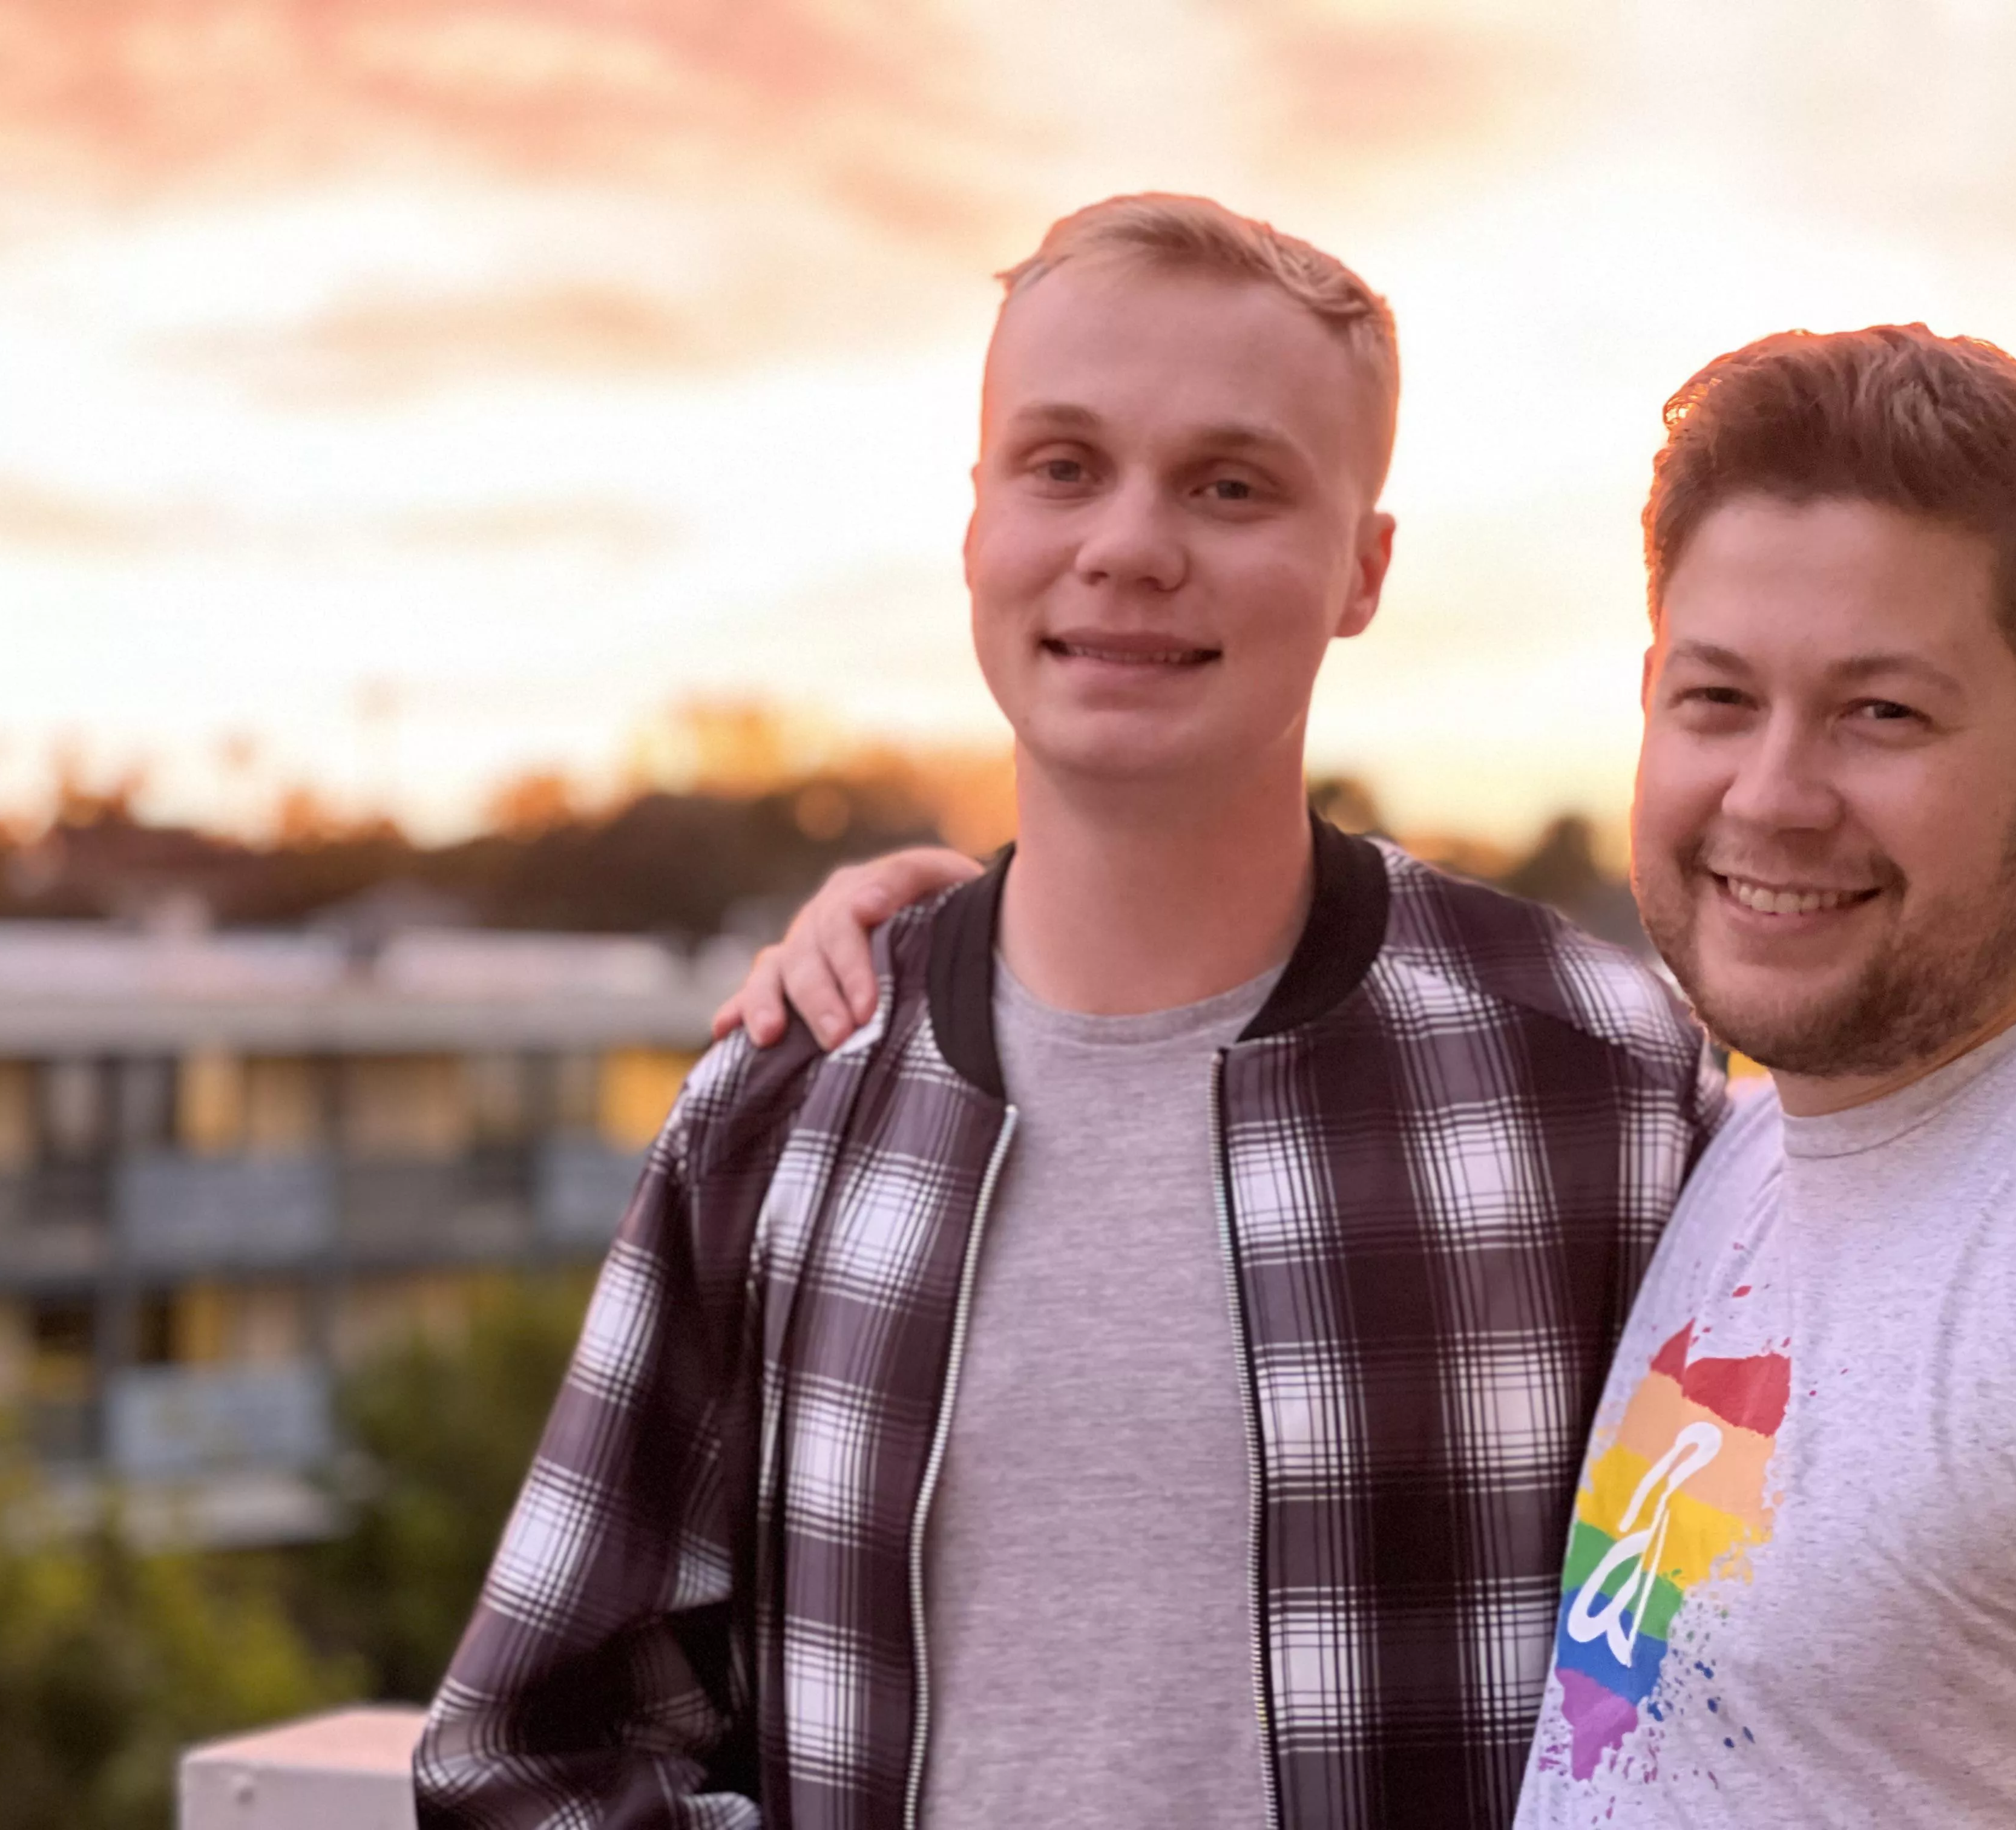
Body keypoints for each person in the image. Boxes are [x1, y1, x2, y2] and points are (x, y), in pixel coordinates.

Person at [739, 326, 2016, 1828]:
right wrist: (983, 932)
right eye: (1719, 700)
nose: (1772, 796)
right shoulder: (1730, 1153)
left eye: (1882, 715)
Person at [413, 194, 1720, 1830]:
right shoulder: (783, 1103)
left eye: (1231, 486)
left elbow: (1727, 1693)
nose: (1129, 546)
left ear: (1363, 570)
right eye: (1062, 466)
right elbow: (530, 1755)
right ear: (977, 525)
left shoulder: (1603, 1086)